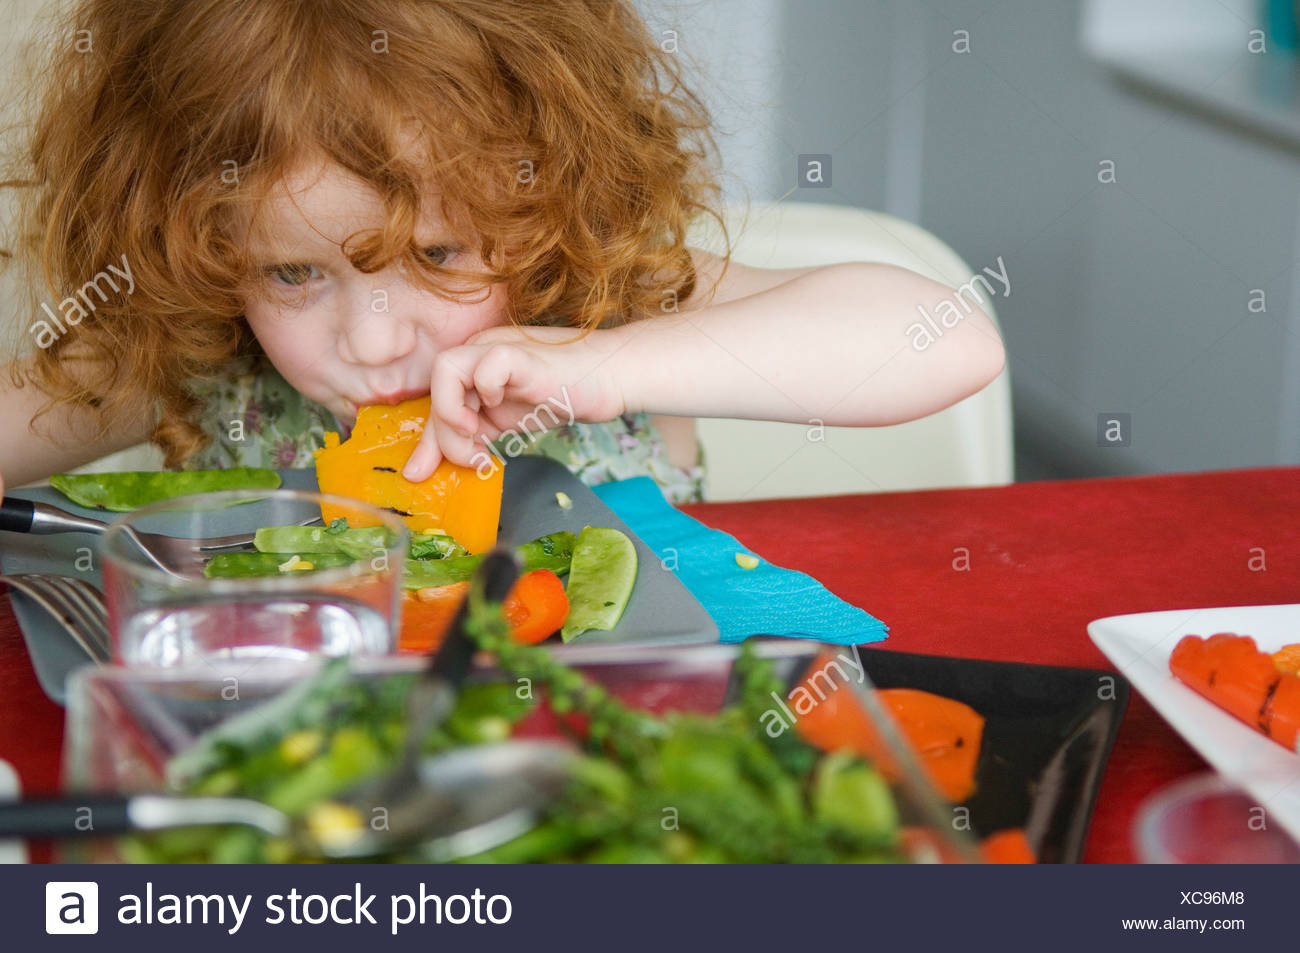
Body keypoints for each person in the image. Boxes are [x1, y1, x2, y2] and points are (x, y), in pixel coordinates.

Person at [0, 0, 1004, 509]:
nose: (372, 338)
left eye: (435, 253)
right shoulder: (197, 351)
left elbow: (945, 340)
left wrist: (601, 365)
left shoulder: (613, 301)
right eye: (293, 272)